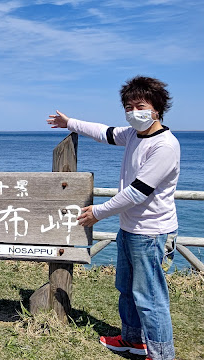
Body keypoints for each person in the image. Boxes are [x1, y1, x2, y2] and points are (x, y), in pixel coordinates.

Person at [46, 76, 179, 360]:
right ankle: (133, 340)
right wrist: (69, 122)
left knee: (151, 299)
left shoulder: (165, 146)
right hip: (130, 229)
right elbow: (102, 132)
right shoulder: (133, 135)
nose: (134, 113)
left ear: (157, 108)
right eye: (128, 107)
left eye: (140, 106)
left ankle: (162, 355)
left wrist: (98, 212)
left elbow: (137, 193)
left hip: (152, 233)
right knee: (127, 289)